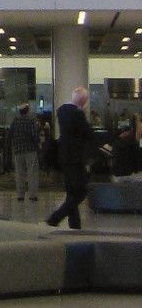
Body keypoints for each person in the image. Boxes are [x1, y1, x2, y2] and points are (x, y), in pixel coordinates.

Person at [46, 85, 100, 231]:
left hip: (64, 156)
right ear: (83, 101)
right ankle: (54, 218)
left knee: (71, 192)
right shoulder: (77, 114)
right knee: (80, 192)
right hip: (75, 159)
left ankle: (75, 226)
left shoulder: (62, 111)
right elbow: (88, 133)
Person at [8, 99, 41, 205]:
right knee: (32, 173)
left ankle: (20, 195)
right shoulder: (31, 121)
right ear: (27, 110)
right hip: (30, 150)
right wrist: (38, 143)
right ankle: (32, 195)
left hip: (18, 150)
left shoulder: (15, 121)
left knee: (19, 173)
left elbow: (10, 135)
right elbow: (34, 135)